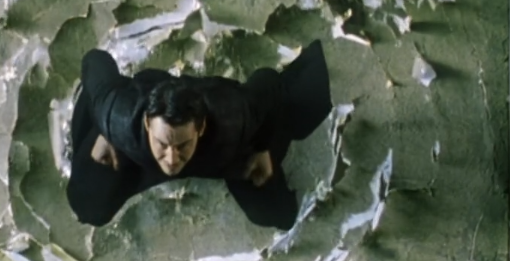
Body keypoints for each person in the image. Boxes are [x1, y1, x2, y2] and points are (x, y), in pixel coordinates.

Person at [67, 41, 332, 231]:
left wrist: (262, 147)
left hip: (221, 142)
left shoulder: (235, 117)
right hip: (134, 136)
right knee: (88, 207)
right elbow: (95, 59)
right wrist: (103, 131)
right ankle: (157, 141)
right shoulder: (117, 116)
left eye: (182, 145)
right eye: (163, 144)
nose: (172, 159)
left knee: (279, 215)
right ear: (147, 124)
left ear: (200, 129)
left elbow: (268, 82)